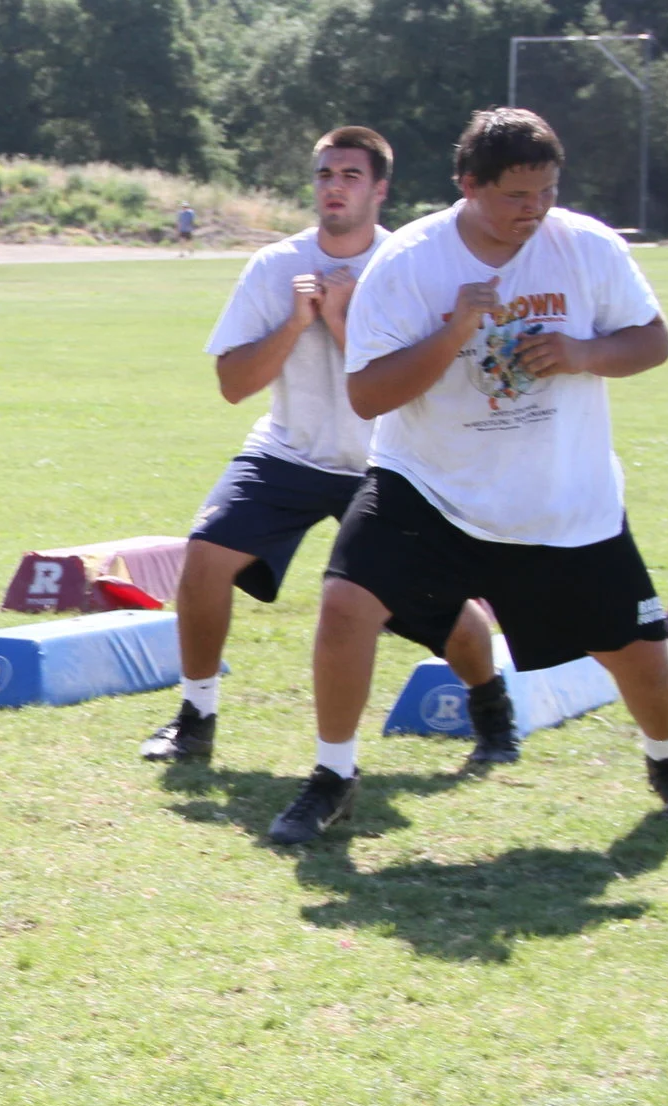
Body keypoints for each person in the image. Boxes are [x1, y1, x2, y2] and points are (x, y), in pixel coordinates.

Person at [267, 108, 668, 844]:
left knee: (635, 650)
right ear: (467, 185)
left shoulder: (586, 245)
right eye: (515, 195)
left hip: (562, 494)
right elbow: (369, 395)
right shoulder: (410, 261)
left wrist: (582, 353)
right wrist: (453, 333)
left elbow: (653, 340)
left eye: (546, 191)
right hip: (432, 486)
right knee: (345, 602)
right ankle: (332, 775)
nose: (533, 210)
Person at [141, 127, 504, 765]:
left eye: (351, 176)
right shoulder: (275, 265)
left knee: (434, 606)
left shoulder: (409, 266)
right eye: (325, 175)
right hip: (288, 452)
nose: (334, 188)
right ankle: (195, 717)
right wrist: (295, 321)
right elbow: (232, 385)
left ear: (380, 189)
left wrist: (341, 319)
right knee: (204, 556)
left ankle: (493, 709)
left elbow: (404, 381)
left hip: (388, 463)